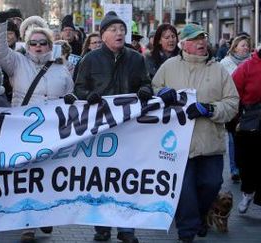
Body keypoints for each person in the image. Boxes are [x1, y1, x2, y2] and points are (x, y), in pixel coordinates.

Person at [0, 10, 74, 242]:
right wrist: (0, 22)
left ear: (50, 45)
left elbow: (70, 95)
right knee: (26, 179)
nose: (38, 47)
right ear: (27, 45)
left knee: (48, 177)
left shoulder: (61, 68)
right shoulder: (17, 63)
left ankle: (44, 217)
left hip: (54, 133)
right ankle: (27, 224)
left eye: (43, 43)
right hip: (25, 133)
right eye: (33, 43)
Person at [152, 23, 239, 243]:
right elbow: (153, 91)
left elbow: (232, 103)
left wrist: (210, 109)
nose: (201, 43)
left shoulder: (218, 70)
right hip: (178, 145)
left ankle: (201, 215)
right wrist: (162, 94)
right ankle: (186, 232)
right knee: (185, 191)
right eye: (195, 39)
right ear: (184, 44)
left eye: (203, 38)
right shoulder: (169, 66)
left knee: (211, 184)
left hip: (210, 142)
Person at [70, 11, 152, 243]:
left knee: (126, 179)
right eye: (113, 29)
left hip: (128, 128)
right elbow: (78, 90)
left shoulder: (136, 59)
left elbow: (145, 83)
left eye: (122, 29)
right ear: (103, 34)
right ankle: (102, 226)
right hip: (100, 129)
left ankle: (127, 229)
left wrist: (145, 91)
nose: (119, 33)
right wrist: (90, 96)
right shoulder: (90, 59)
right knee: (102, 179)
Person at [231, 46, 261, 215]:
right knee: (246, 160)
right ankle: (248, 192)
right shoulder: (247, 67)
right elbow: (233, 92)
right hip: (250, 118)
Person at [220, 34, 251, 183]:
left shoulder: (253, 62)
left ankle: (248, 169)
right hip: (233, 105)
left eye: (247, 45)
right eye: (243, 45)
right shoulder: (225, 63)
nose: (246, 48)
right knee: (233, 139)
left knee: (249, 140)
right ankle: (234, 169)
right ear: (235, 47)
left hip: (250, 106)